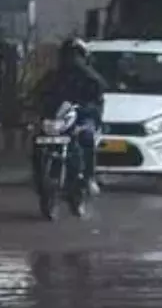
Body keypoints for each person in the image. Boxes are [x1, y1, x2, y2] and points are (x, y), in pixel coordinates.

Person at [32, 37, 110, 195]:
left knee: (87, 137)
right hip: (58, 119)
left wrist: (88, 108)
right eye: (68, 54)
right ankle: (40, 176)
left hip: (81, 117)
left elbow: (99, 94)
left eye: (75, 55)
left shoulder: (91, 77)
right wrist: (33, 105)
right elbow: (38, 93)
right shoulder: (53, 76)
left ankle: (88, 178)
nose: (71, 59)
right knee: (37, 140)